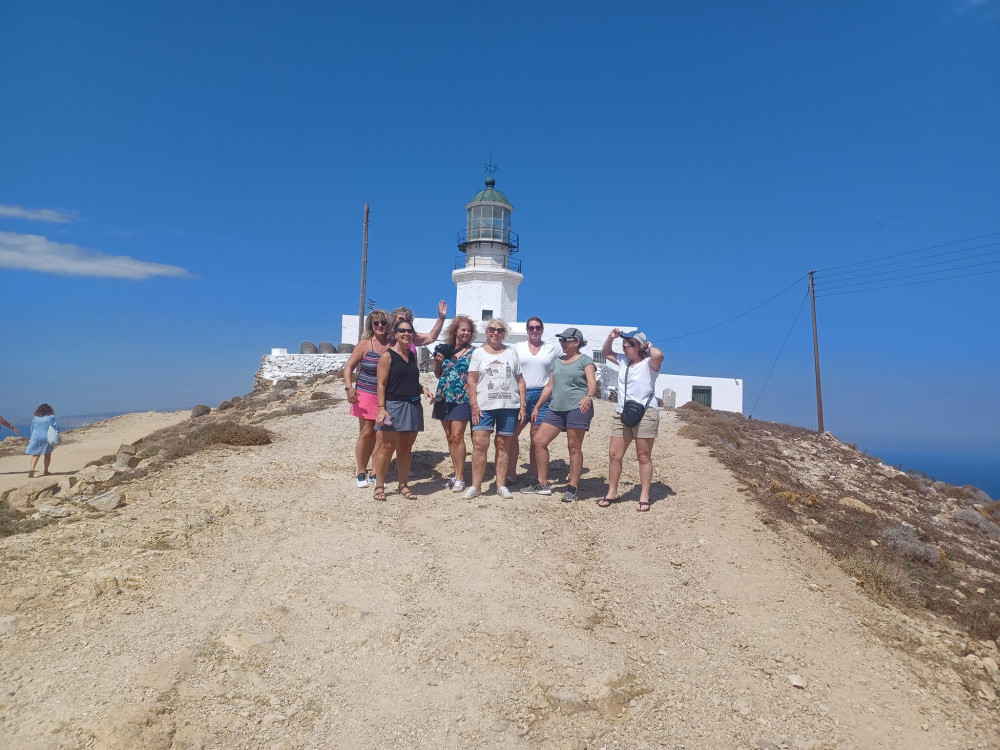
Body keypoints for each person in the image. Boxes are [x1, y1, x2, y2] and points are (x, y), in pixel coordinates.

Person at [522, 328, 597, 502]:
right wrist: (538, 406)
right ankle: (542, 483)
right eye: (561, 340)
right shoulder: (557, 361)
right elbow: (549, 387)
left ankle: (573, 487)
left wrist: (588, 397)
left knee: (574, 447)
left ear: (576, 342)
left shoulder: (585, 361)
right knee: (539, 441)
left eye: (566, 340)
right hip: (556, 408)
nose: (562, 343)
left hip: (577, 407)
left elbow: (592, 383)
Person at [600, 329, 664, 512]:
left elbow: (659, 355)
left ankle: (644, 495)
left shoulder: (649, 364)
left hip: (646, 412)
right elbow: (605, 353)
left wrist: (648, 346)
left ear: (638, 347)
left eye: (628, 345)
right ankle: (612, 492)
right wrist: (610, 337)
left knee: (643, 456)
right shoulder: (623, 361)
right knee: (614, 455)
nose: (625, 348)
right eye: (624, 345)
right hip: (623, 413)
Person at [372, 320, 435, 501]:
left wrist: (422, 388)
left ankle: (403, 485)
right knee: (387, 447)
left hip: (413, 405)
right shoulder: (387, 356)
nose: (406, 334)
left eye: (409, 331)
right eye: (402, 331)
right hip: (394, 406)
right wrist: (381, 409)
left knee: (406, 448)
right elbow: (381, 384)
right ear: (395, 333)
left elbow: (410, 380)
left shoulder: (412, 356)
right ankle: (379, 485)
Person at [464, 318, 526, 499]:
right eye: (492, 329)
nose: (495, 333)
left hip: (509, 406)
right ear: (487, 331)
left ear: (504, 333)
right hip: (484, 406)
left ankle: (501, 485)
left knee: (503, 445)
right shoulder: (478, 353)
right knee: (479, 444)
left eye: (499, 330)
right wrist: (474, 405)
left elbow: (520, 380)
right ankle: (476, 486)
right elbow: (471, 380)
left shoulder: (511, 352)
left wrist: (522, 405)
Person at [343, 309, 393, 487]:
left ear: (388, 325)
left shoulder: (393, 344)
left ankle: (375, 472)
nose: (380, 326)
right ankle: (361, 471)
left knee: (381, 435)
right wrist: (349, 388)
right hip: (365, 393)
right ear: (371, 325)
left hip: (386, 396)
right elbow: (349, 366)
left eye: (383, 323)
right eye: (376, 323)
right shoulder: (364, 344)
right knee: (366, 432)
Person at [511, 316, 559, 485]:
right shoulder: (517, 347)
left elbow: (564, 364)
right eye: (531, 327)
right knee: (512, 433)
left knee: (536, 435)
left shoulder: (551, 349)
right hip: (521, 393)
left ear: (542, 329)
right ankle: (511, 472)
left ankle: (533, 473)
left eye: (538, 327)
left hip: (543, 395)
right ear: (527, 330)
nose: (535, 330)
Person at [432, 315, 478, 493]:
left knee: (458, 435)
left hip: (462, 397)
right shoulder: (446, 350)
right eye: (462, 329)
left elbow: (480, 373)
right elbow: (438, 375)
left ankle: (461, 478)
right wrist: (437, 364)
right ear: (455, 331)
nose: (465, 332)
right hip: (443, 396)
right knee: (450, 436)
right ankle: (455, 473)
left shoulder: (475, 352)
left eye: (468, 330)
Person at [25, 404, 59, 478]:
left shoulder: (35, 418)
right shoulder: (50, 417)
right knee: (47, 455)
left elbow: (32, 428)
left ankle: (32, 468)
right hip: (46, 437)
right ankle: (46, 471)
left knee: (35, 454)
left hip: (36, 437)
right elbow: (55, 426)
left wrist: (32, 437)